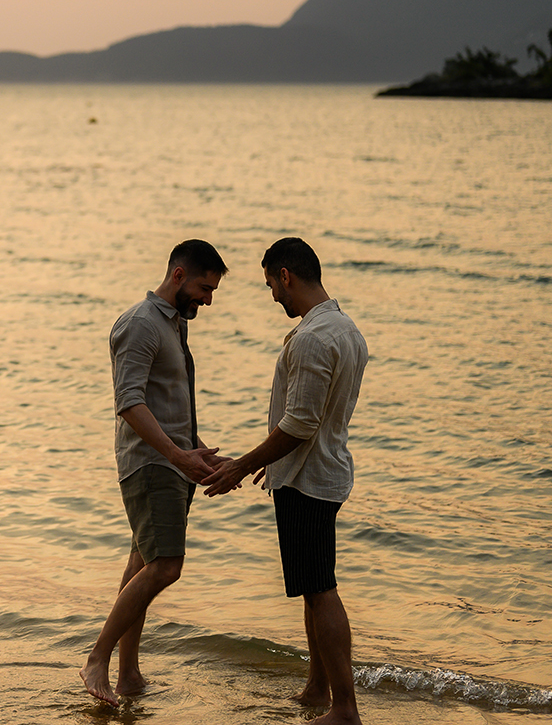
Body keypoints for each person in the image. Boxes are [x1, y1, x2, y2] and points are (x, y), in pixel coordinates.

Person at [201, 237, 368, 725]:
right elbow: (310, 422)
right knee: (311, 585)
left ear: (285, 275)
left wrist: (242, 464)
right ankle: (318, 690)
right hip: (318, 471)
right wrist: (266, 463)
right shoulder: (347, 329)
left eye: (271, 285)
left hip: (310, 480)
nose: (273, 296)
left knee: (320, 589)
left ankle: (345, 708)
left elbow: (300, 423)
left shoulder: (316, 337)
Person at [80, 239, 229, 707]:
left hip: (171, 463)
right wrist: (177, 455)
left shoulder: (172, 326)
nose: (208, 300)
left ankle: (128, 676)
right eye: (205, 288)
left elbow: (164, 401)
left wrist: (196, 451)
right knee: (166, 566)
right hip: (151, 466)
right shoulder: (141, 324)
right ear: (179, 275)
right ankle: (97, 659)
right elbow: (129, 402)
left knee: (141, 564)